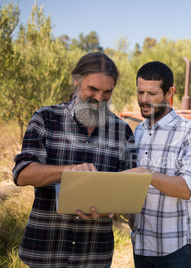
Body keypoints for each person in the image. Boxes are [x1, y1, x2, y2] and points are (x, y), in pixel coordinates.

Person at [12, 52, 136, 268]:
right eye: (93, 89)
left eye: (107, 92)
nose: (99, 98)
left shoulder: (122, 131)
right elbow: (22, 174)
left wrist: (113, 206)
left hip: (94, 255)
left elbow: (128, 188)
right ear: (76, 81)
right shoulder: (45, 118)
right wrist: (70, 172)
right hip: (45, 250)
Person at [127, 61, 191, 267]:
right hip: (141, 242)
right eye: (140, 92)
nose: (144, 100)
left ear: (170, 93)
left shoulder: (189, 131)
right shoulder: (138, 131)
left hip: (174, 247)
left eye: (152, 94)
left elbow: (186, 189)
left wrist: (146, 173)